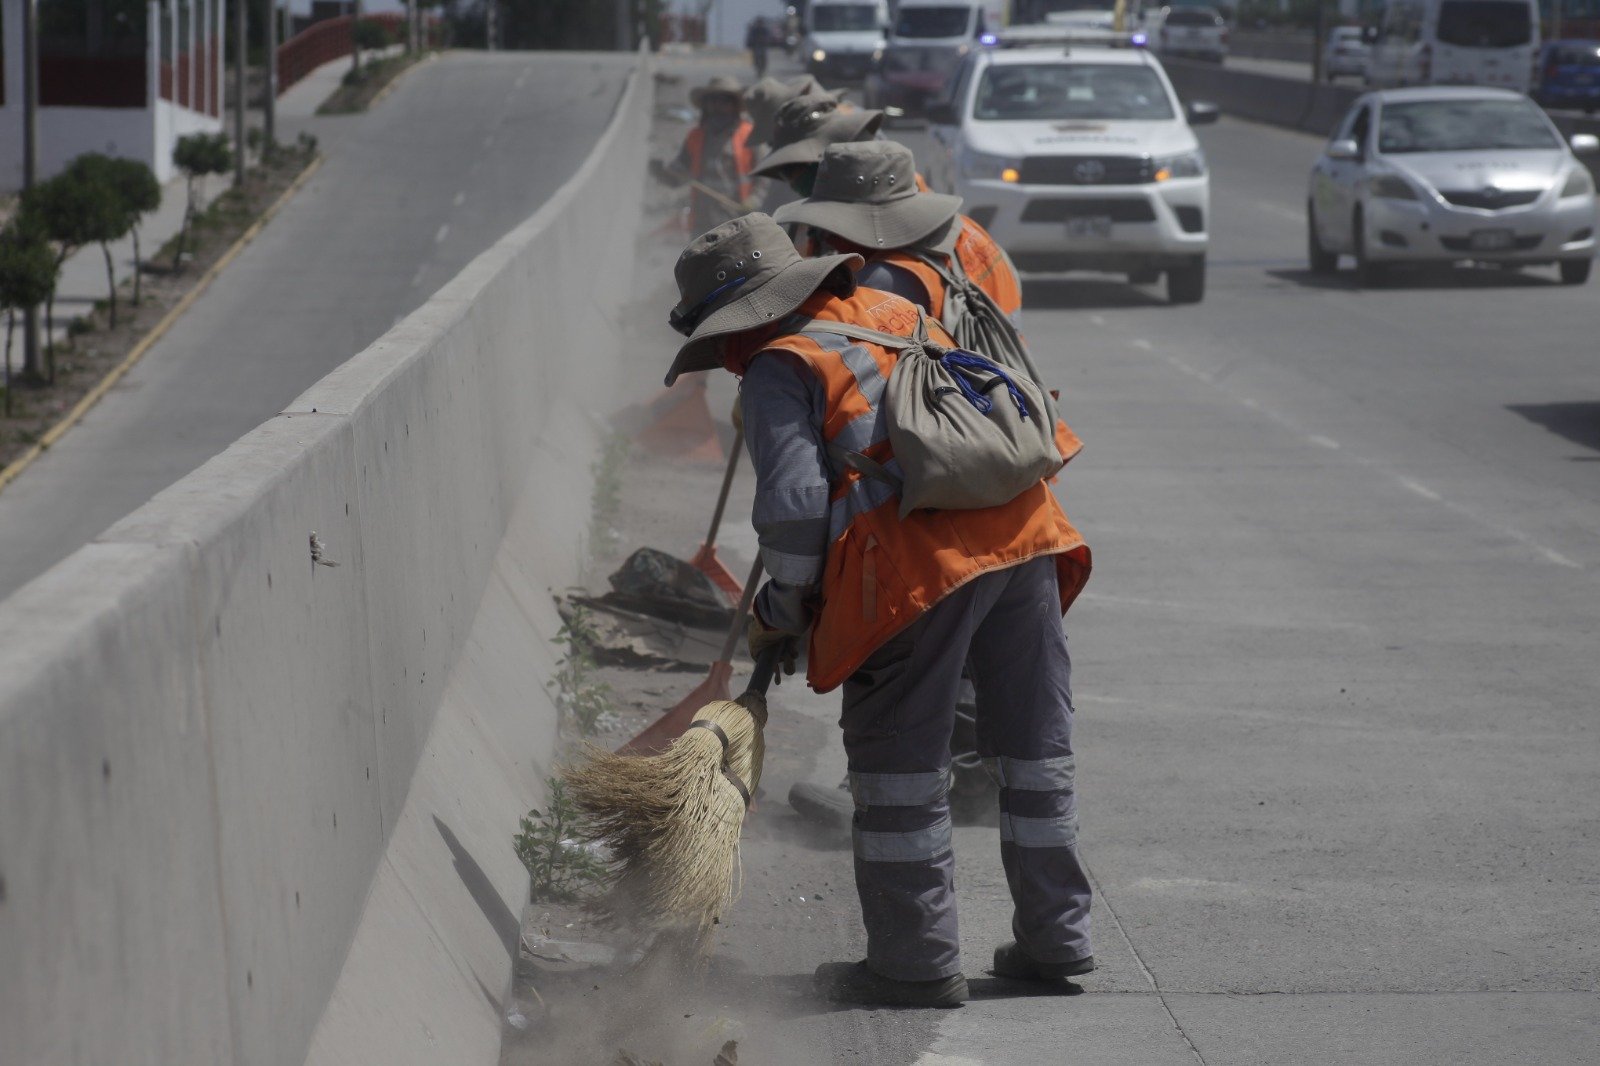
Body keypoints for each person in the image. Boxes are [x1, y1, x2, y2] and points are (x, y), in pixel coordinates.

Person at [663, 212, 1094, 1009]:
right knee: (1036, 753)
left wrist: (784, 610)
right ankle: (1057, 937)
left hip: (920, 571)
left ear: (734, 323)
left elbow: (794, 515)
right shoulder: (894, 310)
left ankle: (915, 963)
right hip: (1028, 532)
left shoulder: (778, 363)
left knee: (899, 773)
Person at [773, 140, 1088, 830]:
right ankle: (981, 789)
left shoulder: (885, 286)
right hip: (1009, 477)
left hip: (938, 487)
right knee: (1007, 682)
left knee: (931, 650)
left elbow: (871, 409)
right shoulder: (969, 246)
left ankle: (914, 784)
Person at [650, 76, 755, 235]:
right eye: (712, 101)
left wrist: (755, 199)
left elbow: (765, 176)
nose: (717, 107)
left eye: (723, 101)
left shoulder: (749, 135)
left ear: (734, 106)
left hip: (738, 218)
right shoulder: (696, 136)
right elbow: (679, 174)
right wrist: (661, 173)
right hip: (703, 219)